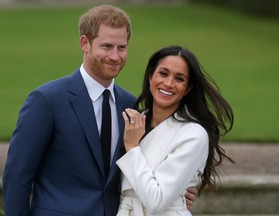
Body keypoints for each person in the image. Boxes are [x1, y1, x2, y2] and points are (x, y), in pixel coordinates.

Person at [2, 5, 196, 216]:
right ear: (85, 43)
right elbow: (17, 176)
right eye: (107, 46)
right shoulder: (47, 100)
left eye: (121, 47)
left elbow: (144, 166)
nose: (115, 56)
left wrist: (177, 192)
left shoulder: (131, 106)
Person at [116, 45, 234, 215]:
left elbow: (156, 201)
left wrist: (133, 148)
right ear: (151, 76)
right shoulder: (134, 122)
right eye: (163, 73)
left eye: (179, 79)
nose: (169, 83)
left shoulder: (193, 135)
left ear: (188, 88)